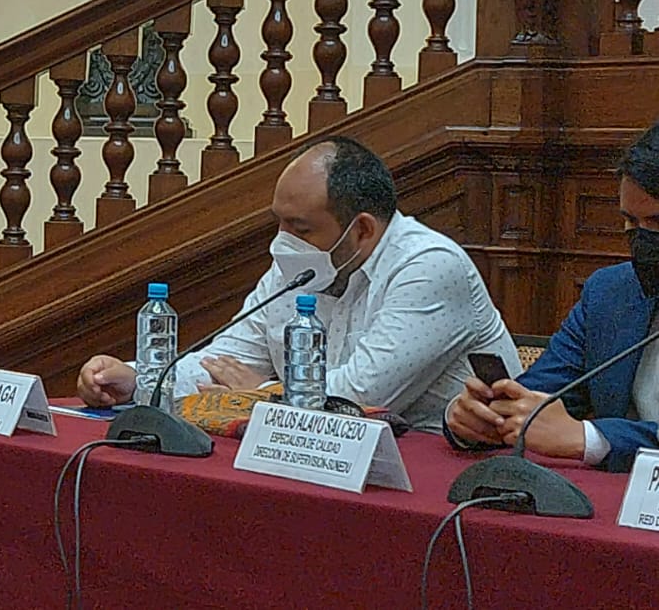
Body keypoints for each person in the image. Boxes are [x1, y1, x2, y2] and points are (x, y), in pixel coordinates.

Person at [76, 136, 519, 434]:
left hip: (439, 467)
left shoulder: (429, 266)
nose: (283, 242)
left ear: (362, 230)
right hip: (320, 457)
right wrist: (137, 379)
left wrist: (259, 396)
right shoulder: (301, 265)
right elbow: (225, 362)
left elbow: (360, 397)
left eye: (301, 228)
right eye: (280, 223)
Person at [445, 124, 659, 472]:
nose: (643, 240)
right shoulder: (610, 293)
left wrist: (590, 438)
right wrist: (482, 418)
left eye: (657, 222)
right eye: (631, 223)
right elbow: (537, 397)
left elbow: (573, 433)